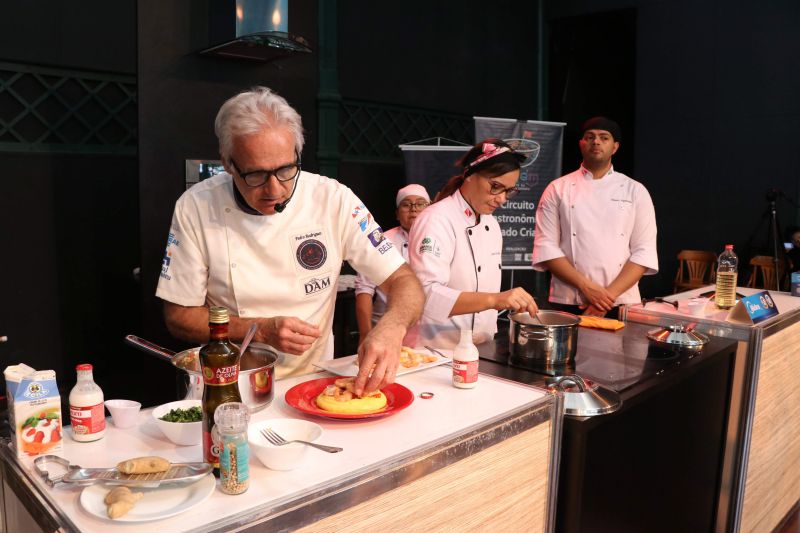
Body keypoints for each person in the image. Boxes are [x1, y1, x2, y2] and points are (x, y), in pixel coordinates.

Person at [156, 87, 424, 395]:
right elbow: (179, 317)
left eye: (286, 170)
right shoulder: (196, 207)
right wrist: (259, 330)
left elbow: (405, 281)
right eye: (255, 175)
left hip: (314, 384)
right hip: (231, 386)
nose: (274, 190)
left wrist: (392, 327)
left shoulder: (333, 199)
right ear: (228, 163)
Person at [408, 139, 539, 348]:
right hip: (436, 350)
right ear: (470, 174)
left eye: (508, 191)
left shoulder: (492, 225)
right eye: (495, 186)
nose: (502, 199)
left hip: (481, 348)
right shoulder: (437, 219)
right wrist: (494, 300)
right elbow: (425, 294)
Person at [532, 117, 658, 319]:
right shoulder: (557, 188)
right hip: (570, 299)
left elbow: (644, 251)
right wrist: (587, 288)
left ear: (615, 147)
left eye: (604, 137)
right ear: (581, 144)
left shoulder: (635, 191)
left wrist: (606, 298)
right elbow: (546, 247)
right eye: (589, 137)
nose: (596, 142)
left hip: (621, 300)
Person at [354, 184, 430, 344]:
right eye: (406, 204)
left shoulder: (442, 239)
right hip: (385, 330)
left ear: (430, 210)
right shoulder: (381, 240)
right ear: (397, 214)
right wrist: (365, 334)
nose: (413, 209)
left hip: (430, 334)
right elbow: (364, 290)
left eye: (420, 203)